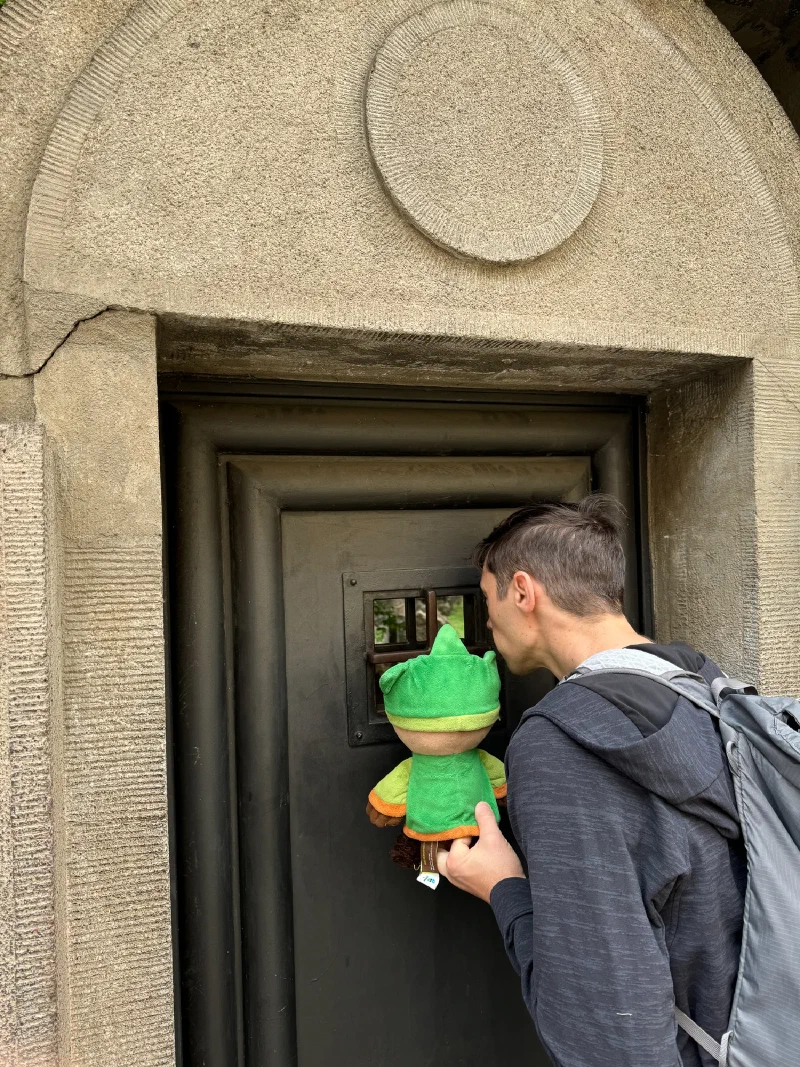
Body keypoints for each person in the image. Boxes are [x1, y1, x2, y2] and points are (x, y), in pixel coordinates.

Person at [436, 496, 745, 1067]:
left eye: (486, 600)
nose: (486, 623)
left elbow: (607, 1036)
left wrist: (504, 888)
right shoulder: (706, 686)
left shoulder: (564, 743)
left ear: (523, 592)